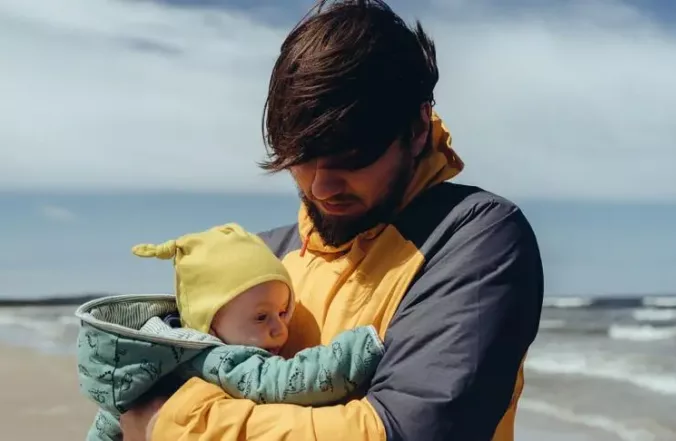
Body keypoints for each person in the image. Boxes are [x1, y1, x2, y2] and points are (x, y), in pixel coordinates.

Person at [119, 1, 545, 440]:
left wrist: (172, 424)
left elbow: (406, 430)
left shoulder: (474, 238)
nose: (321, 187)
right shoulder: (264, 258)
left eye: (352, 158)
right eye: (301, 160)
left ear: (417, 129)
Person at [75, 223, 384, 441]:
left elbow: (107, 423)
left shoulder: (157, 355)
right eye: (261, 317)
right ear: (210, 322)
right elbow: (288, 381)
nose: (280, 330)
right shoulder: (219, 360)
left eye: (282, 312)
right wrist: (359, 348)